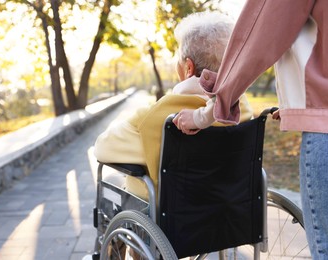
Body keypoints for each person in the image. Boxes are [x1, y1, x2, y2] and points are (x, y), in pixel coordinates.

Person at [173, 1, 328, 259]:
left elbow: (256, 37)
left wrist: (204, 115)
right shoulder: (250, 111)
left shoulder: (159, 112)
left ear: (187, 67)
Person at [94, 11, 253, 200]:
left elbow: (102, 148)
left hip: (170, 213)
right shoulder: (241, 108)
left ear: (188, 67)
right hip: (229, 207)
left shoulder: (155, 116)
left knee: (113, 180)